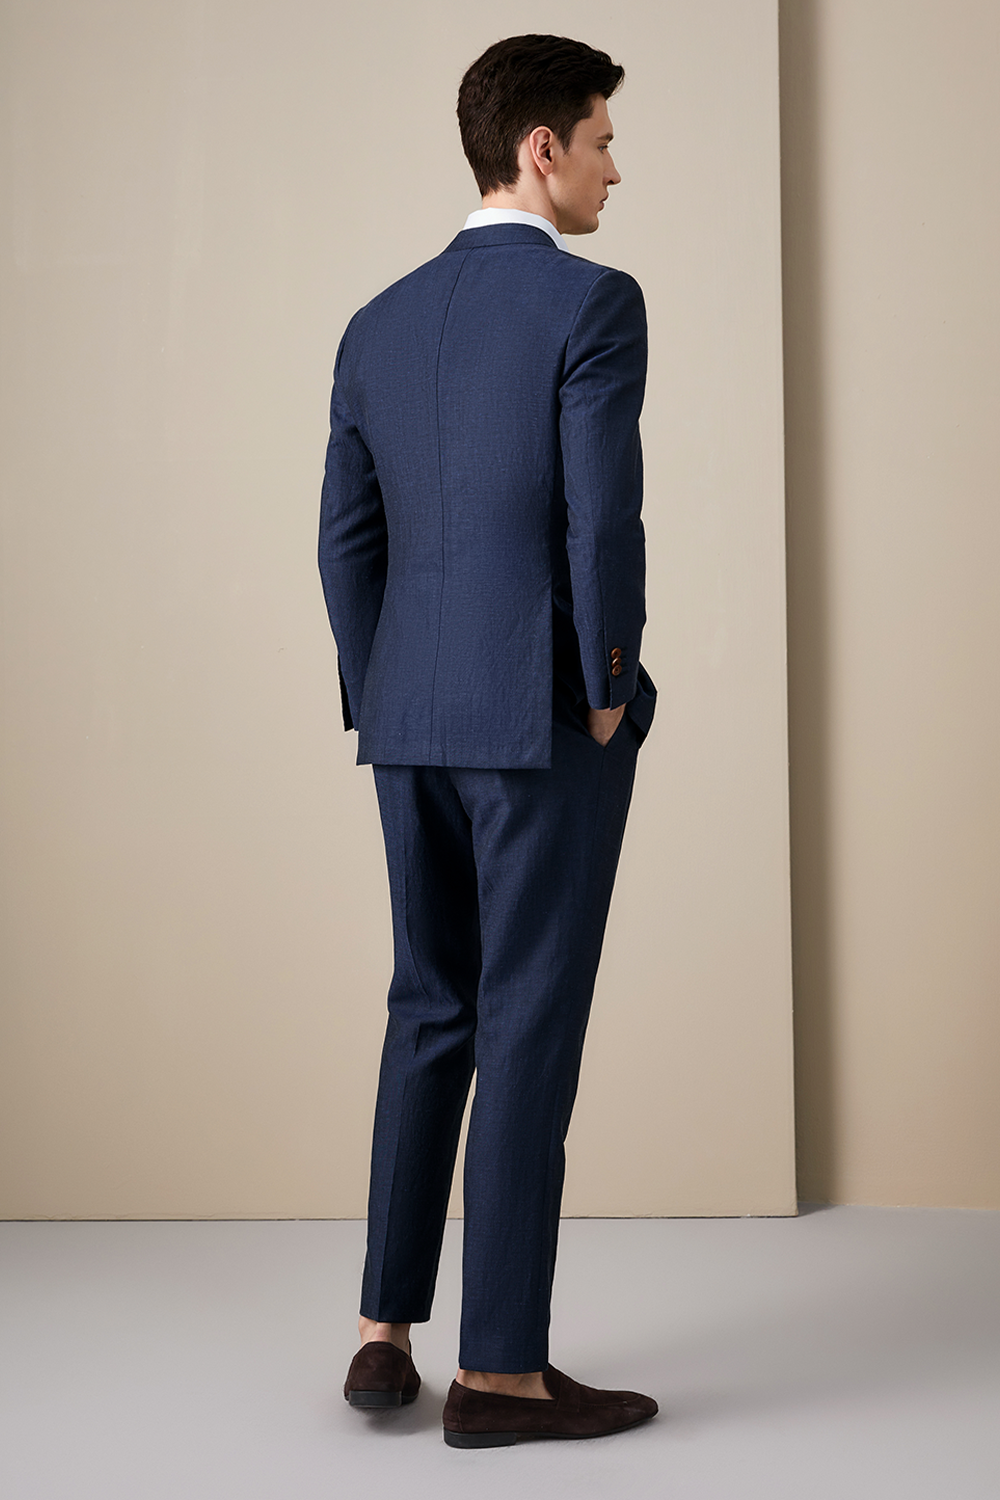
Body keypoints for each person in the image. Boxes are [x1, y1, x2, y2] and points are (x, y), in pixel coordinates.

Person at [319, 32, 658, 1447]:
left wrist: (382, 691)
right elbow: (601, 515)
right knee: (525, 1021)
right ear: (541, 149)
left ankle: (381, 1332)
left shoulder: (376, 322)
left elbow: (346, 541)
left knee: (429, 1005)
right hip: (538, 716)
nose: (613, 170)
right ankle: (502, 1374)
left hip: (411, 716)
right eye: (602, 141)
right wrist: (609, 681)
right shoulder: (593, 303)